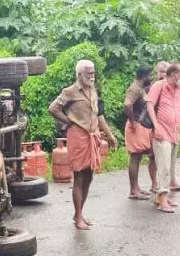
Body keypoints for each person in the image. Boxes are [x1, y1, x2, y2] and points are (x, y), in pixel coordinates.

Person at [49, 60, 118, 230]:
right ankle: (78, 217)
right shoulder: (70, 91)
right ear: (79, 74)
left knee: (89, 176)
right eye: (88, 73)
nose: (92, 75)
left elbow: (99, 115)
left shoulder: (93, 90)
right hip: (78, 137)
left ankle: (79, 213)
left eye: (93, 72)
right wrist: (70, 122)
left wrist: (110, 136)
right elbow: (53, 109)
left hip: (92, 137)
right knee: (79, 177)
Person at [145, 63, 180, 213]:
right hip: (162, 133)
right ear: (174, 74)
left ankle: (162, 198)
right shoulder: (159, 86)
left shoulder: (179, 90)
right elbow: (149, 105)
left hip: (174, 134)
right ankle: (162, 201)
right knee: (164, 167)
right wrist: (157, 126)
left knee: (170, 166)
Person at [124, 66, 157, 200]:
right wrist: (132, 122)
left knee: (138, 158)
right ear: (144, 76)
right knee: (135, 158)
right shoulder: (135, 88)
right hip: (135, 126)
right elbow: (127, 104)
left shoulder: (140, 88)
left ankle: (136, 188)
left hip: (139, 126)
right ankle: (133, 191)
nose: (152, 77)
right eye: (150, 75)